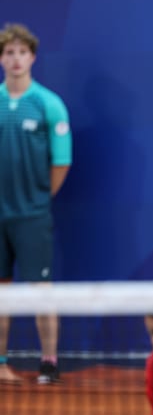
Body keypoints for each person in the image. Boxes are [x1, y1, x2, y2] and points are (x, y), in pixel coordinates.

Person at [0, 23, 71, 385]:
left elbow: (61, 161)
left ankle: (48, 362)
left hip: (32, 215)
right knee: (0, 293)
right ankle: (0, 363)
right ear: (1, 58)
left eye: (22, 52)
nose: (15, 59)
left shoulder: (48, 104)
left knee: (41, 291)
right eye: (9, 52)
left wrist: (39, 199)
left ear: (33, 57)